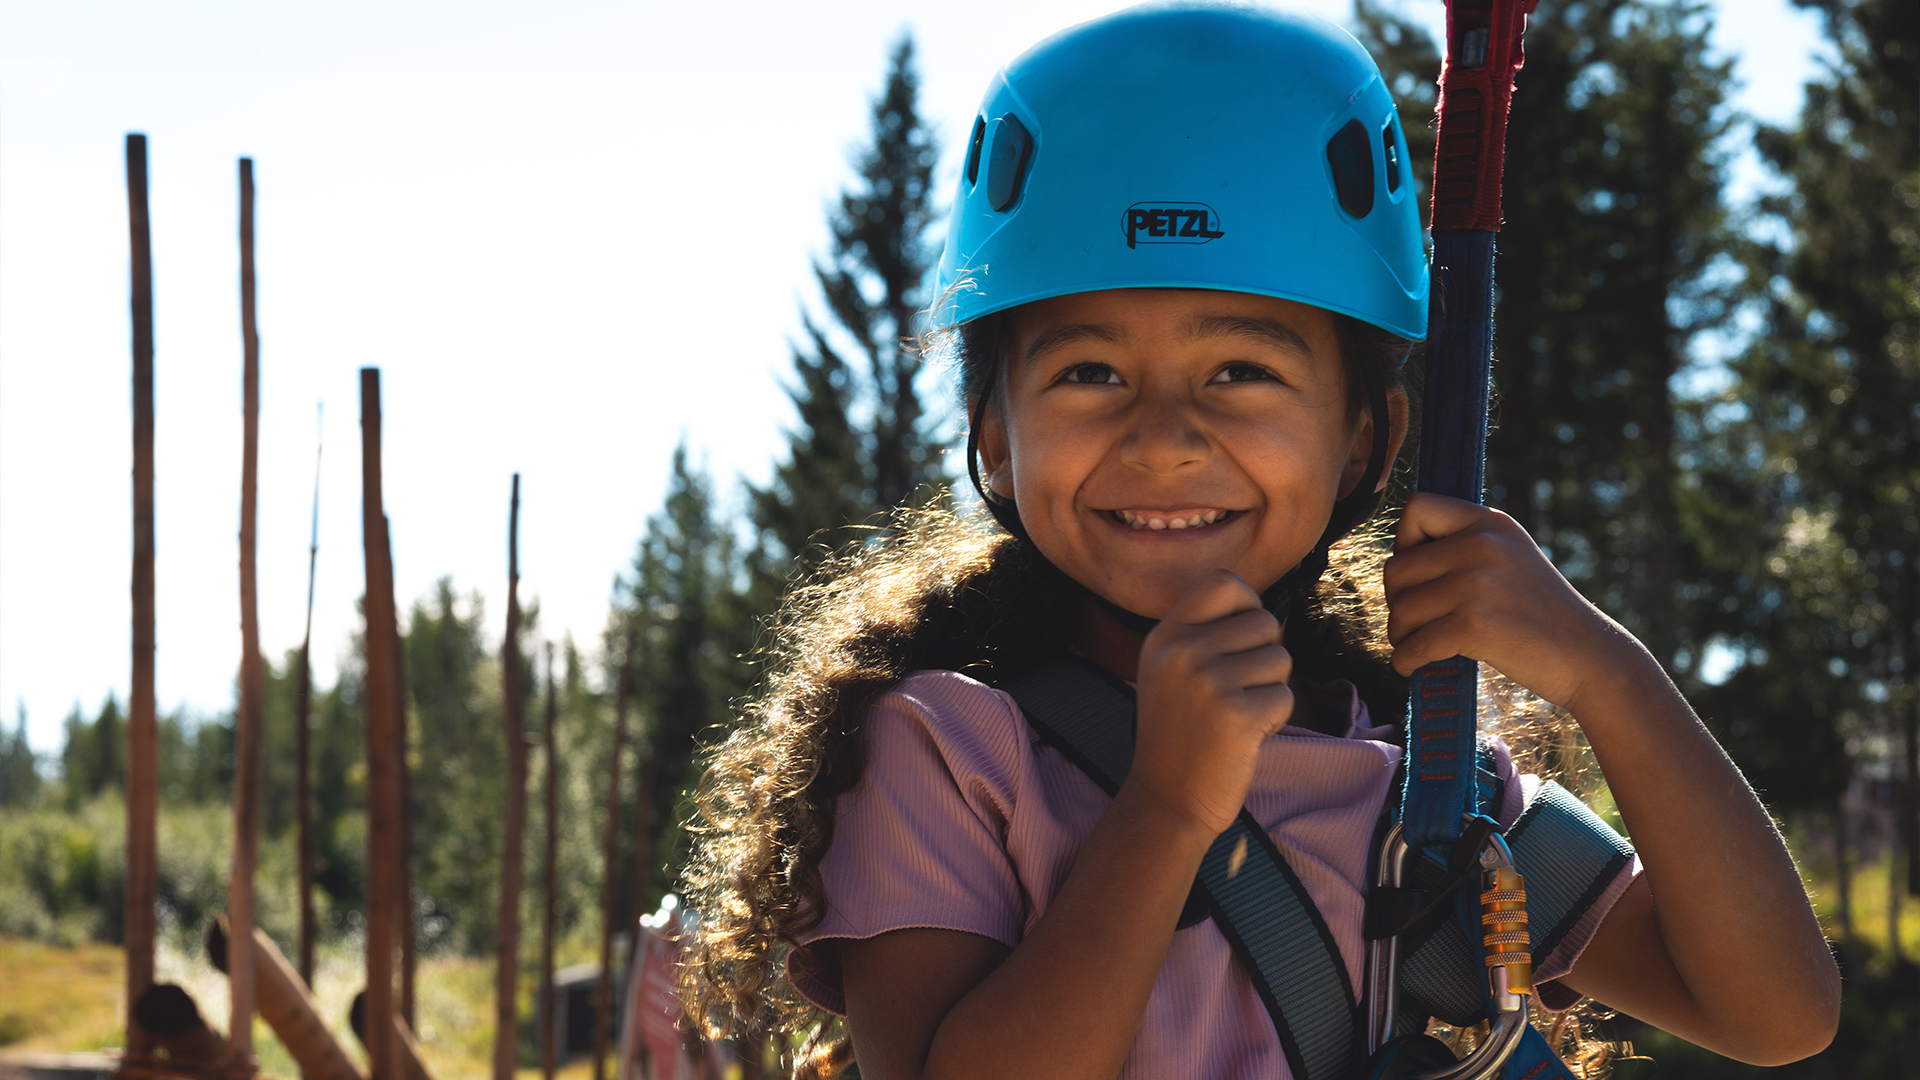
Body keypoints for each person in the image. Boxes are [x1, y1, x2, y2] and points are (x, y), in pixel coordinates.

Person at [680, 6, 1840, 1078]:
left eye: (1243, 371)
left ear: (1366, 442)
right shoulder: (952, 749)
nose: (1168, 438)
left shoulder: (1419, 784)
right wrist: (1167, 811)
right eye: (1090, 373)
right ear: (993, 439)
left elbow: (1774, 1013)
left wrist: (1607, 672)